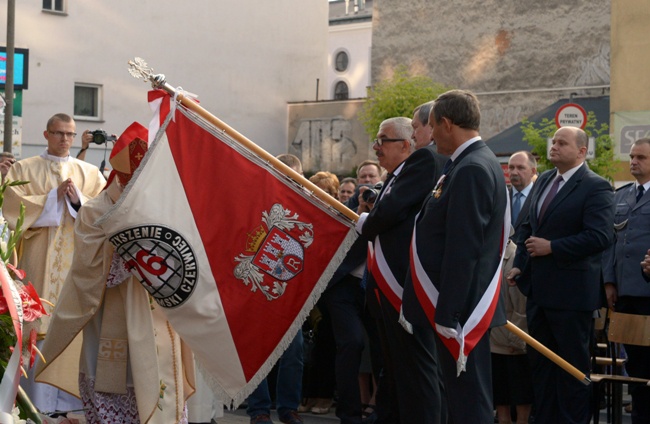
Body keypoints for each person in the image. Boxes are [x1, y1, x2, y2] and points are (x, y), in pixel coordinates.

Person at [35, 122, 195, 423]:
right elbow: (87, 266)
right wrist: (124, 250)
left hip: (153, 315)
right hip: (108, 310)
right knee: (109, 381)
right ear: (119, 178)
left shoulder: (164, 207)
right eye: (129, 183)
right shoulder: (95, 210)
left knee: (156, 381)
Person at [402, 89, 508, 424]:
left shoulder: (472, 168)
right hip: (459, 304)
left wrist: (449, 313)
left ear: (447, 124)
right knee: (460, 399)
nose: (430, 135)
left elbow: (464, 248)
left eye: (432, 126)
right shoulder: (466, 163)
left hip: (462, 310)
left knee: (469, 400)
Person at [507, 126, 614, 424]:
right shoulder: (542, 181)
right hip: (538, 293)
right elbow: (528, 226)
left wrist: (553, 247)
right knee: (540, 368)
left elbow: (600, 237)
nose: (554, 147)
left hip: (571, 296)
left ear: (581, 151)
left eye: (562, 143)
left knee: (569, 371)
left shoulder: (596, 187)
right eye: (553, 142)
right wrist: (521, 264)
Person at [5, 112, 106, 414]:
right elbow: (10, 209)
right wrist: (51, 198)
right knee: (35, 333)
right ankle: (31, 408)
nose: (65, 139)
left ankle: (73, 411)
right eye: (59, 133)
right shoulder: (24, 169)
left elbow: (104, 215)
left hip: (76, 272)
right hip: (35, 270)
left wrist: (78, 204)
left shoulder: (89, 174)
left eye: (70, 134)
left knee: (73, 335)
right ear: (47, 134)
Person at [357, 116, 447, 423]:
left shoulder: (422, 161)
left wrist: (365, 223)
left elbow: (391, 211)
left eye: (383, 140)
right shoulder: (395, 174)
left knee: (417, 370)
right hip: (387, 286)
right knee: (395, 368)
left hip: (405, 285)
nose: (376, 146)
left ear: (406, 145)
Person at [246, 154, 305, 424]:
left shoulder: (310, 209)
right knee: (257, 350)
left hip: (291, 293)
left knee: (293, 352)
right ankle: (258, 410)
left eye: (294, 178)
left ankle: (287, 408)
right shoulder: (258, 204)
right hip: (259, 288)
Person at [602, 137, 650, 423]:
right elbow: (610, 242)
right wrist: (609, 281)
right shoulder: (620, 197)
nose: (634, 161)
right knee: (634, 365)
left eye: (641, 157)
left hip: (648, 294)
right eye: (632, 156)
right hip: (626, 294)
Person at [508, 151, 537, 234]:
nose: (514, 172)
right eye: (511, 167)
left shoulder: (540, 198)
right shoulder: (501, 197)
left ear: (533, 172)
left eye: (520, 168)